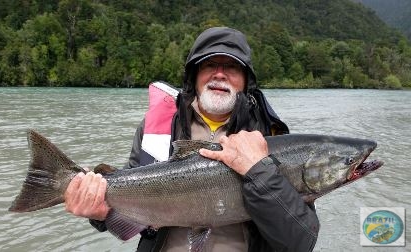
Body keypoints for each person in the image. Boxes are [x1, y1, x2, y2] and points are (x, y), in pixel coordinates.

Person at [64, 27, 320, 251]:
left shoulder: (270, 137)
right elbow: (131, 196)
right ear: (194, 77)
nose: (219, 74)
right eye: (210, 65)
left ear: (245, 81)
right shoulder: (158, 127)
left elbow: (300, 241)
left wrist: (259, 170)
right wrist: (100, 212)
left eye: (231, 67)